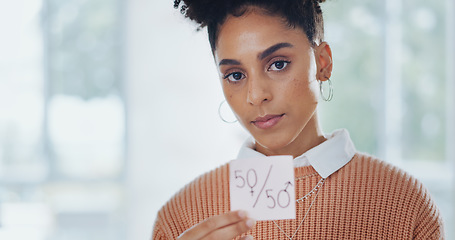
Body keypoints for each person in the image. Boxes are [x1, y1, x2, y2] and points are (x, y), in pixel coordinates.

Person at [152, 0, 444, 239]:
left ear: (323, 63)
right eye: (236, 75)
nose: (256, 95)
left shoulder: (404, 202)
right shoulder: (181, 216)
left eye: (277, 64)